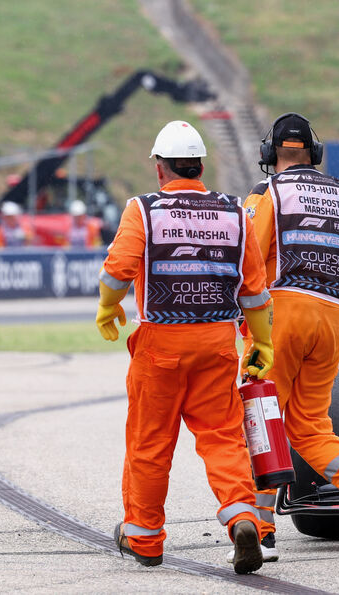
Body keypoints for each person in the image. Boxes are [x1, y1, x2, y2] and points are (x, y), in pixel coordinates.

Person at [95, 120, 273, 575]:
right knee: (223, 438)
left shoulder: (144, 209)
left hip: (161, 346)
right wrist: (262, 343)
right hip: (217, 344)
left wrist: (107, 306)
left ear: (161, 168)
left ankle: (145, 537)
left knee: (150, 444)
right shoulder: (234, 212)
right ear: (198, 167)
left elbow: (117, 270)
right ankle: (241, 517)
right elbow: (254, 291)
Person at [235, 112, 339, 560]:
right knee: (308, 425)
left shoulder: (268, 191)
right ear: (316, 154)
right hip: (331, 319)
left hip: (279, 317)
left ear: (271, 155)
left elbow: (248, 259)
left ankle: (261, 529)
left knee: (258, 417)